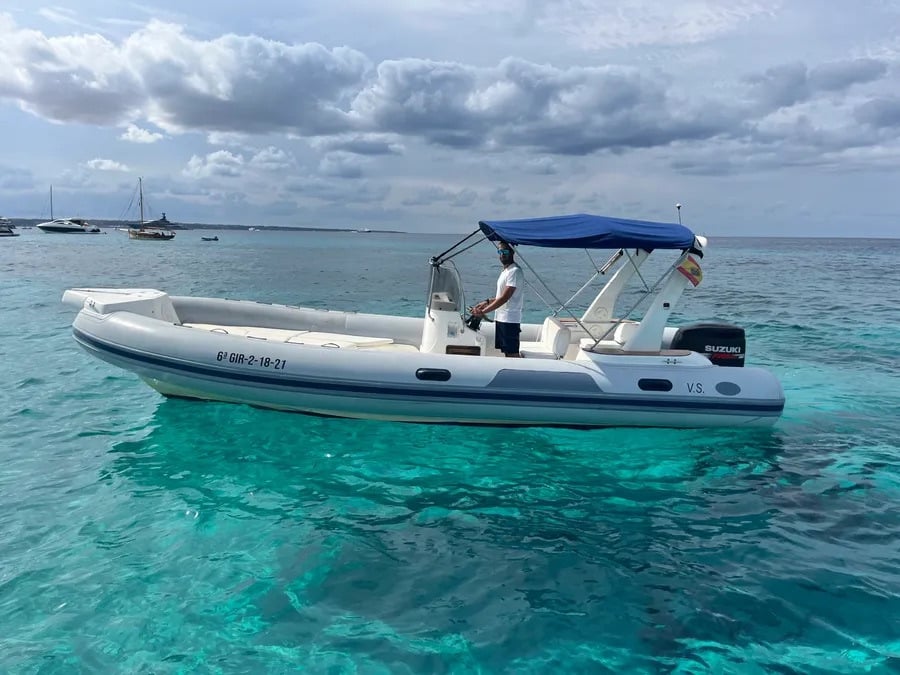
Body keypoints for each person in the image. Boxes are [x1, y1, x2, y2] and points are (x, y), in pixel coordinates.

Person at [472, 241, 524, 357]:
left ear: (512, 252)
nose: (502, 254)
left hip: (509, 319)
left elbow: (505, 297)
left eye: (505, 251)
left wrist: (483, 312)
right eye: (500, 251)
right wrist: (486, 302)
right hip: (501, 318)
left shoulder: (514, 271)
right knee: (506, 352)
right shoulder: (505, 271)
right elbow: (500, 296)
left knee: (512, 353)